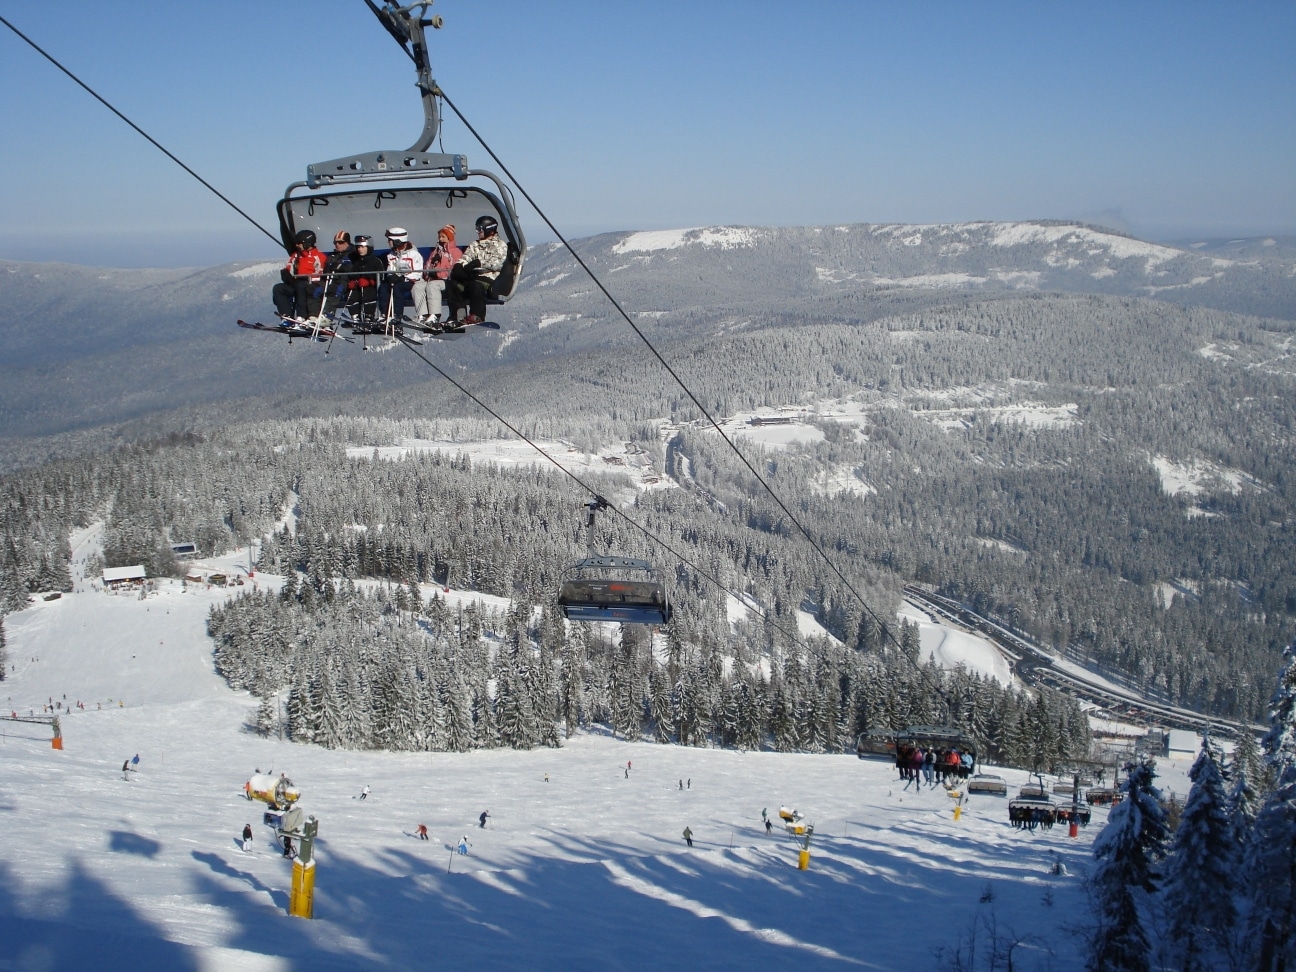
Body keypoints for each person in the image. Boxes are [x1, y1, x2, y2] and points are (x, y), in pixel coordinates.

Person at [446, 215, 509, 325]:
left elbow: (497, 263)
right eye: (477, 229)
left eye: (480, 229)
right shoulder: (475, 244)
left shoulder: (500, 245)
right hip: (473, 276)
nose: (478, 232)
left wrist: (478, 264)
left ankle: (477, 315)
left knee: (475, 286)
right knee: (453, 284)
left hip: (489, 277)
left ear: (489, 229)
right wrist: (459, 265)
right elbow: (467, 257)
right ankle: (457, 315)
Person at [272, 230, 327, 322]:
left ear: (307, 243)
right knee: (278, 288)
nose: (297, 245)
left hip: (310, 285)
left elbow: (319, 273)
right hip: (296, 284)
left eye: (299, 243)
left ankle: (301, 316)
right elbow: (289, 268)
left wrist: (304, 278)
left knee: (300, 285)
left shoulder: (319, 257)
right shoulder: (296, 256)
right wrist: (287, 275)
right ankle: (287, 317)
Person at [377, 227, 424, 324]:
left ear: (397, 241)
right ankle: (385, 314)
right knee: (383, 287)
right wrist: (390, 276)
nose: (388, 242)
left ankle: (397, 314)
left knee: (397, 287)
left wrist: (402, 278)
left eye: (390, 240)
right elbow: (390, 269)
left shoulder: (414, 254)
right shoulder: (391, 255)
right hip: (397, 280)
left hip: (411, 281)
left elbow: (417, 273)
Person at [416, 224, 460, 325]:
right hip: (432, 279)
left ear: (449, 238)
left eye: (443, 237)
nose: (440, 239)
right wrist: (428, 272)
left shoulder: (455, 252)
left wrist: (438, 273)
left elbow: (455, 269)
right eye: (439, 237)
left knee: (433, 286)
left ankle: (435, 315)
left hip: (446, 281)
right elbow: (427, 266)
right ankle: (423, 315)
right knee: (418, 287)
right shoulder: (435, 252)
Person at [342, 235, 384, 325]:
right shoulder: (355, 261)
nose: (360, 250)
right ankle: (355, 316)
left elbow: (381, 277)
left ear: (369, 247)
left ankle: (369, 315)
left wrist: (370, 281)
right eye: (358, 247)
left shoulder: (376, 261)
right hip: (358, 286)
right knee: (351, 293)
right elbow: (352, 273)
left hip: (372, 287)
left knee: (368, 292)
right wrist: (353, 281)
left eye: (363, 247)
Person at [320, 231, 352, 317]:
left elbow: (353, 268)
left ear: (347, 243)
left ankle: (327, 315)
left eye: (340, 242)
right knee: (315, 289)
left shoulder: (353, 255)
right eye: (335, 243)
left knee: (335, 289)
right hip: (330, 280)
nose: (337, 245)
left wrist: (340, 267)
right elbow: (326, 271)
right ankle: (313, 316)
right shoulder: (332, 256)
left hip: (345, 280)